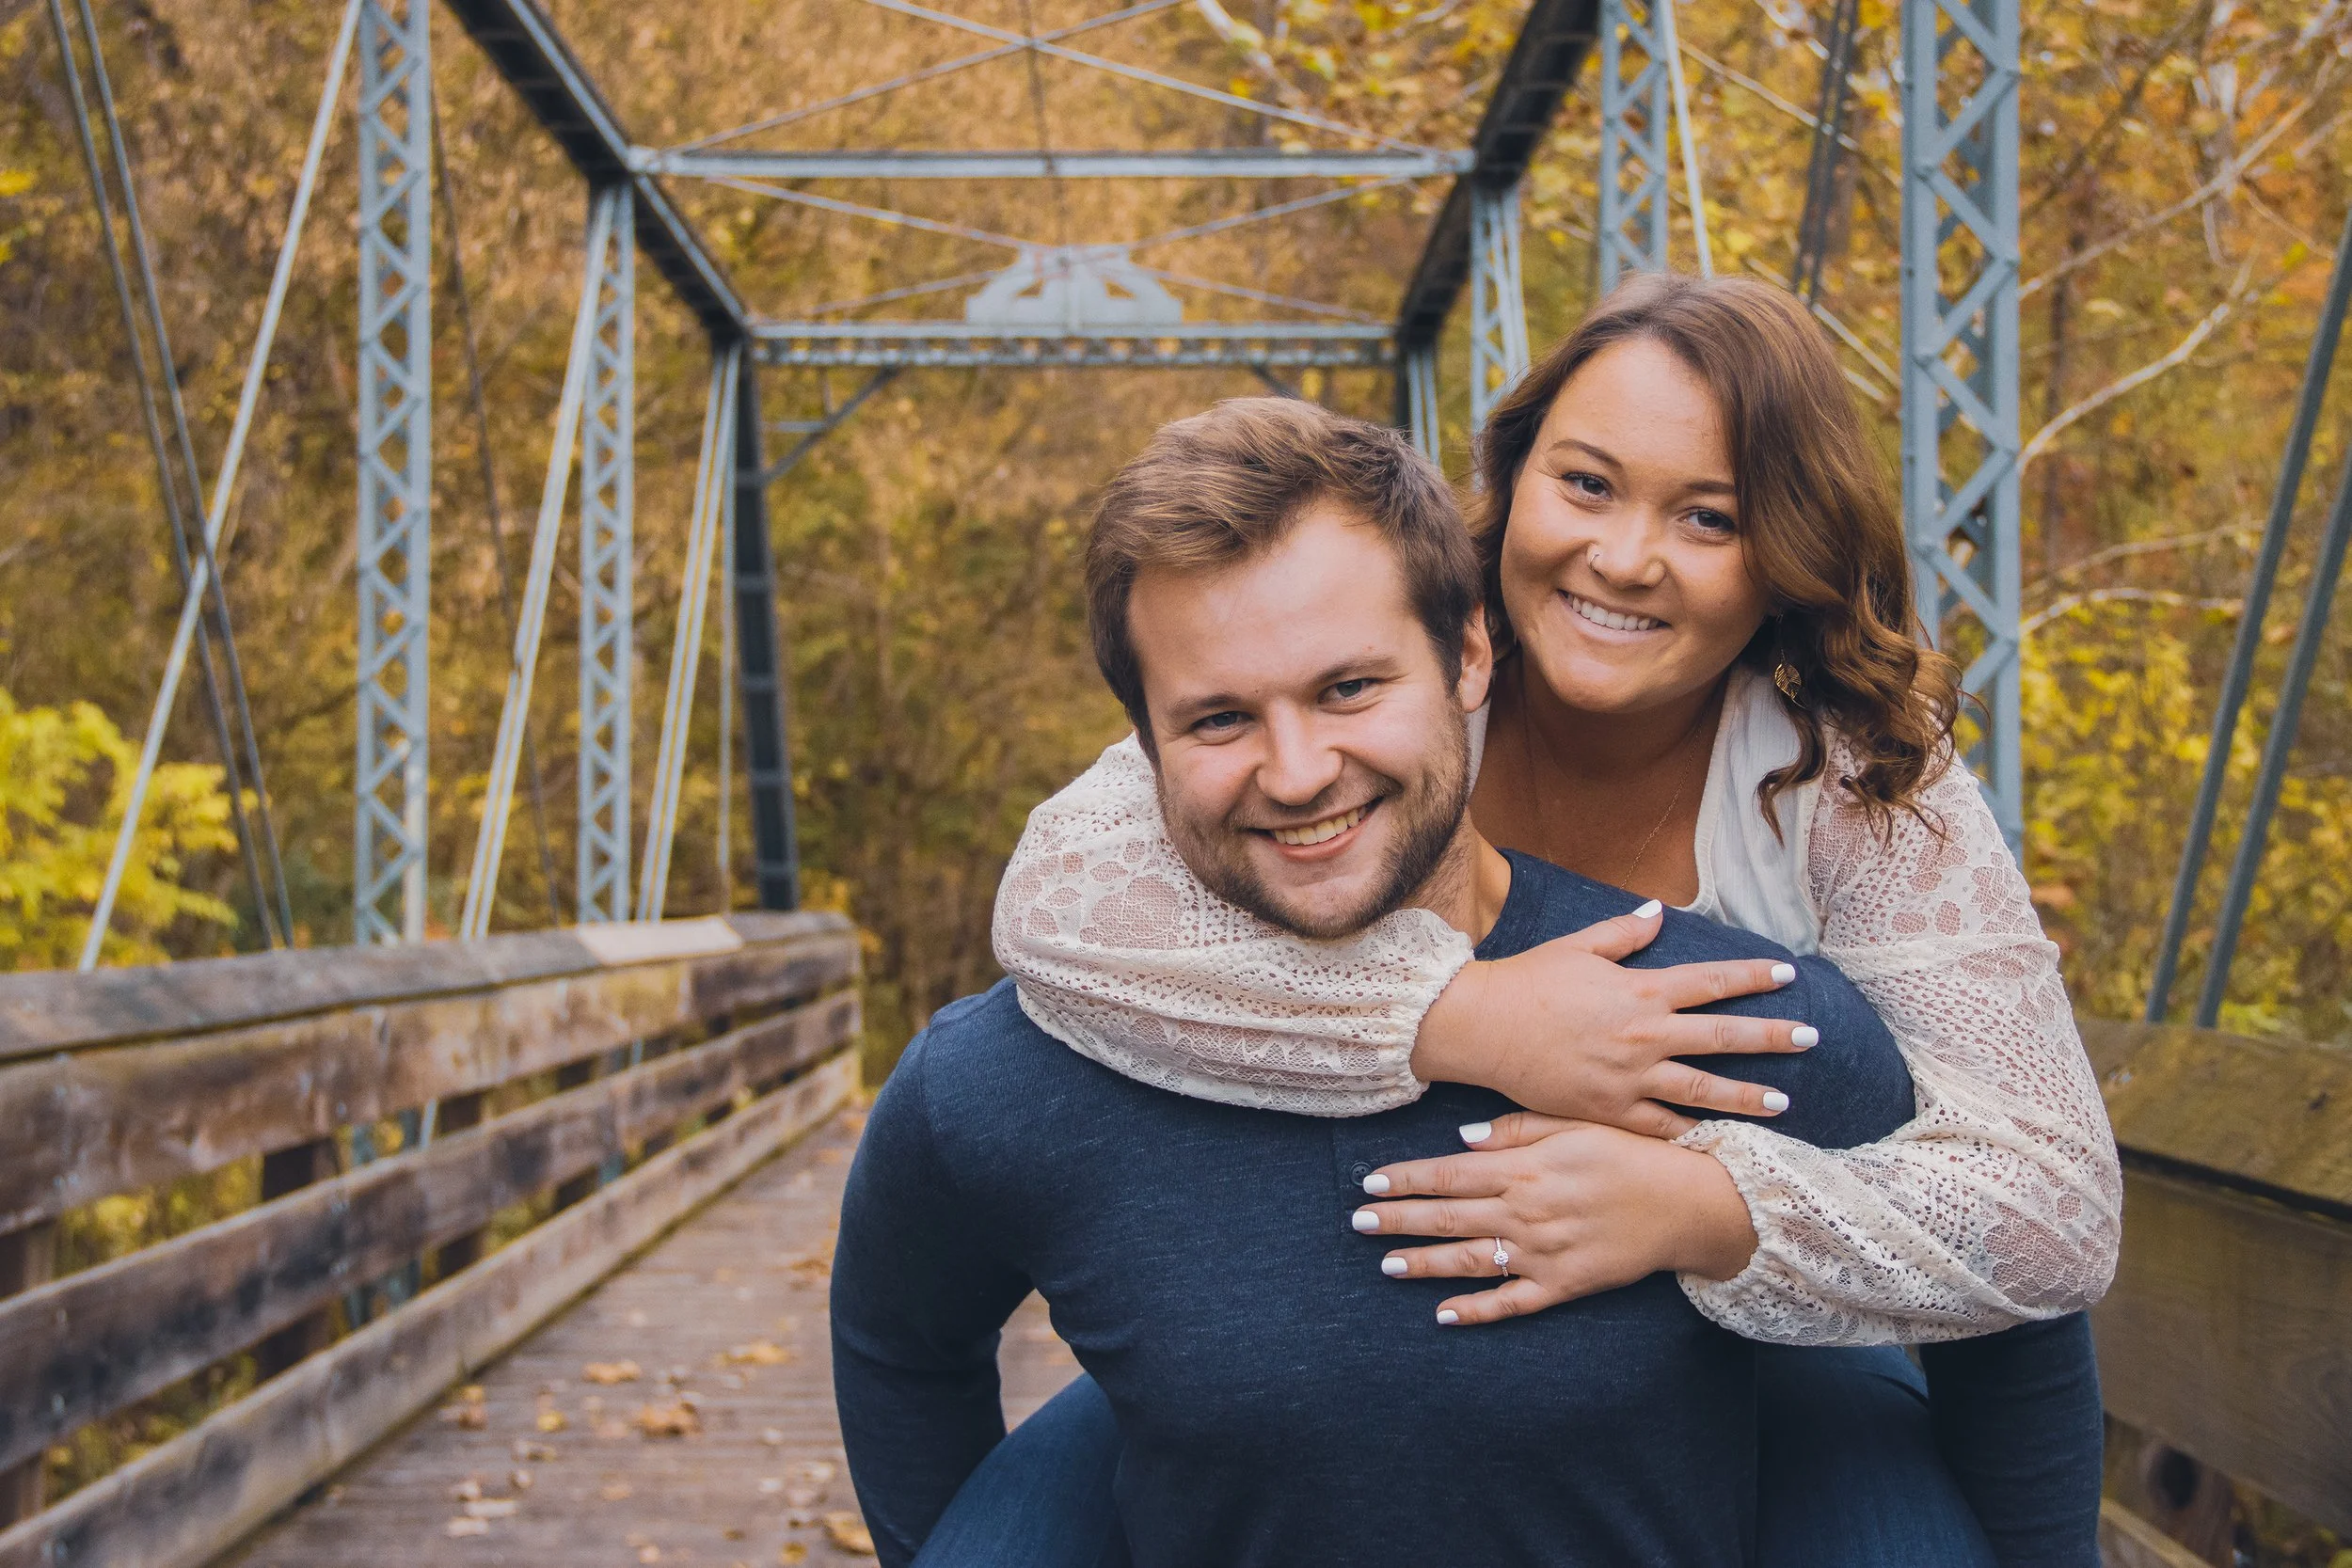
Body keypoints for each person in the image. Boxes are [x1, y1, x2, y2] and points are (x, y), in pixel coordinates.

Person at [981, 276, 2119, 1567]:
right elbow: (1058, 894)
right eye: (1586, 483)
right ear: (1512, 482)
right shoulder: (1380, 670)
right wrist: (1468, 1017)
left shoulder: (1845, 781)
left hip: (1743, 1356)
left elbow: (2052, 1198)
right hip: (1310, 1336)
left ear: (1784, 552)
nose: (1624, 556)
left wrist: (1697, 1210)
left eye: (1708, 516)